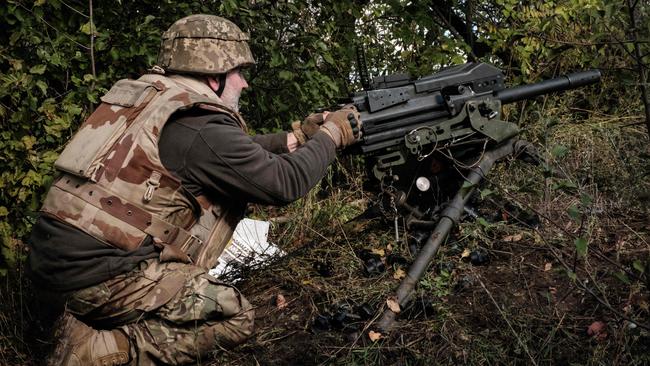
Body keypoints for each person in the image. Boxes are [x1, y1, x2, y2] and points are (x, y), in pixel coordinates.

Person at [27, 14, 361, 365]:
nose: (244, 85)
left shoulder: (154, 100)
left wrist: (294, 140)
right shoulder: (201, 126)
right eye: (239, 74)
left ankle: (71, 322)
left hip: (53, 268)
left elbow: (220, 152)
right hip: (97, 281)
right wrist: (331, 135)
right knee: (234, 316)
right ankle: (93, 353)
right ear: (214, 75)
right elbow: (284, 183)